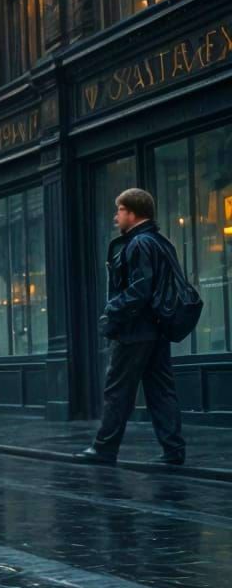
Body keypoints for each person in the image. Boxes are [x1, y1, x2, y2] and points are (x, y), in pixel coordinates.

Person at [77, 186, 188, 466]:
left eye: (120, 210)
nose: (116, 216)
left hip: (135, 330)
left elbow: (141, 289)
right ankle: (174, 451)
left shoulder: (139, 244)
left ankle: (104, 448)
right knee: (161, 390)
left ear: (133, 213)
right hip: (157, 329)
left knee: (118, 390)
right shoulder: (160, 241)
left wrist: (112, 311)